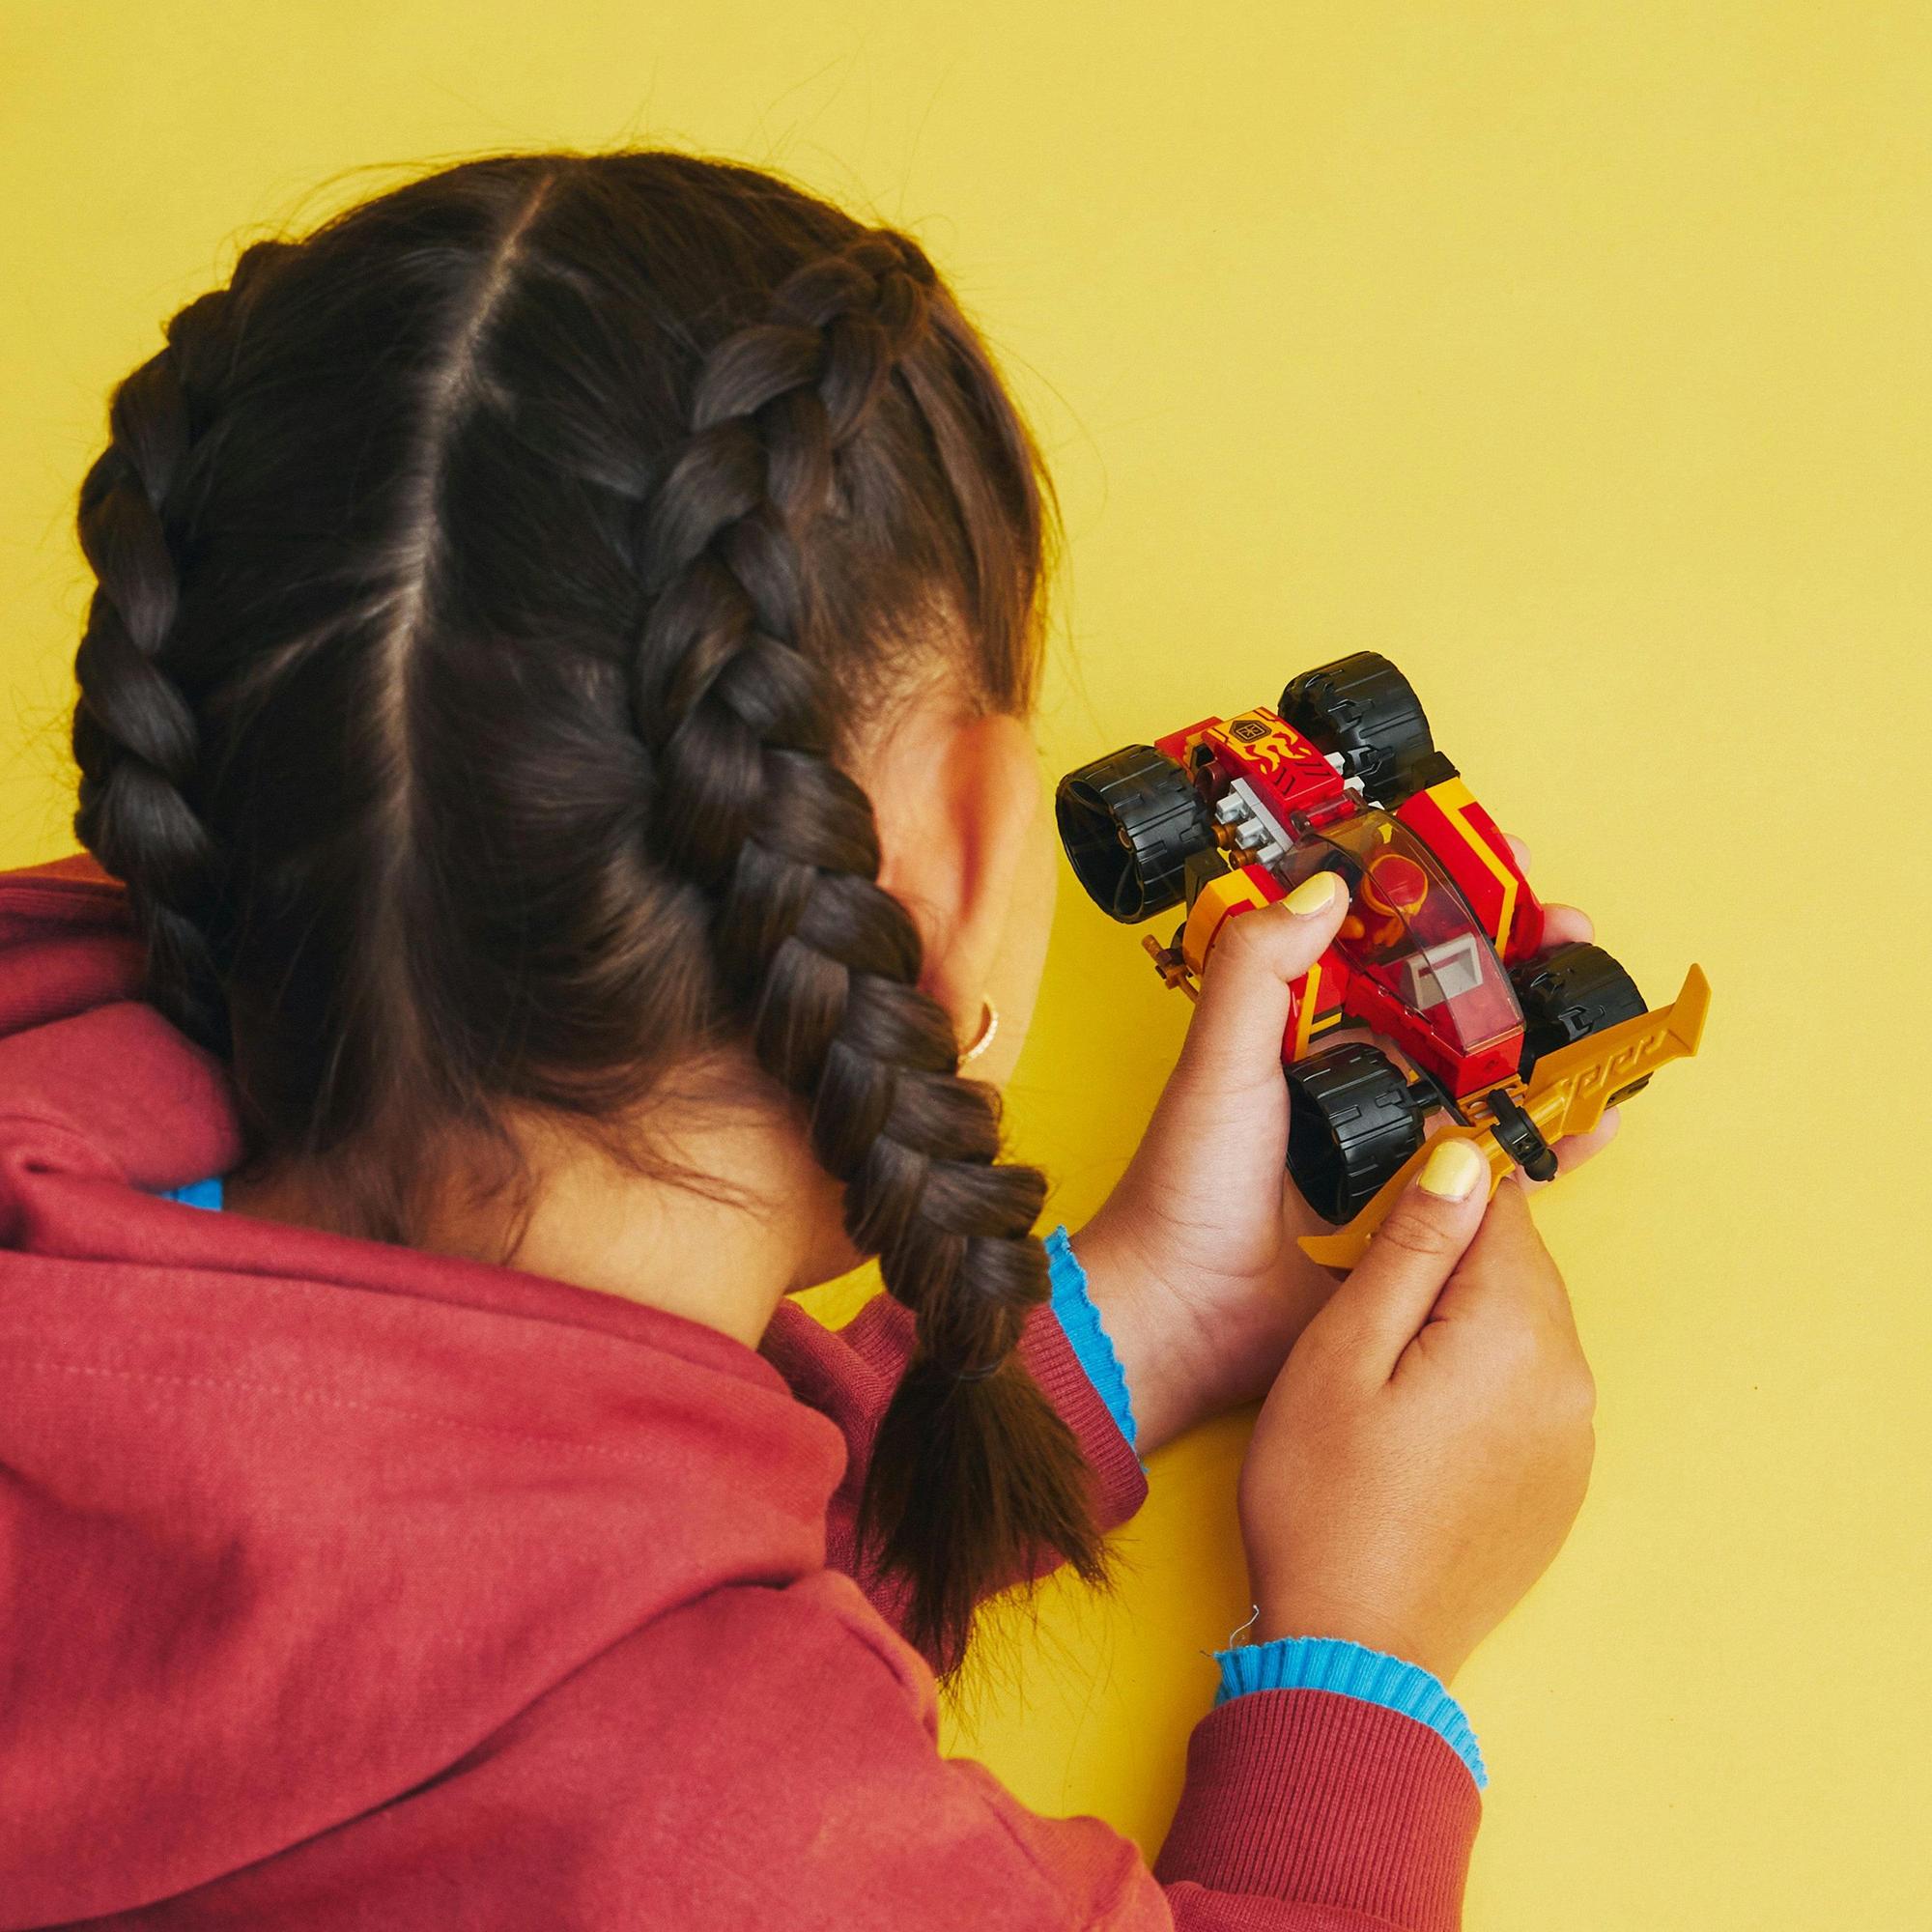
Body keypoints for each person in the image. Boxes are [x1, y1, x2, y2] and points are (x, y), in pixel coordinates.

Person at [0, 150, 1604, 1929]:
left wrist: (1148, 1311)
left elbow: (445, 1570)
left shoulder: (42, 1026)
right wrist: (1371, 1644)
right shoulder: (713, 1853)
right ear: (964, 853)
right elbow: (612, 1744)